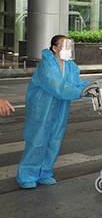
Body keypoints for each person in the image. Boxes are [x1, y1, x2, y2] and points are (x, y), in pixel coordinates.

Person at [16, 36, 90, 189]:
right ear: (55, 48)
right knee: (37, 141)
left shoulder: (71, 67)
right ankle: (27, 175)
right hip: (41, 110)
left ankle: (45, 172)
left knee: (54, 140)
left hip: (60, 109)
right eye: (65, 46)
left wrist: (90, 88)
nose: (68, 49)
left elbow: (77, 83)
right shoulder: (47, 66)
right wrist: (81, 92)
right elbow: (58, 87)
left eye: (70, 46)